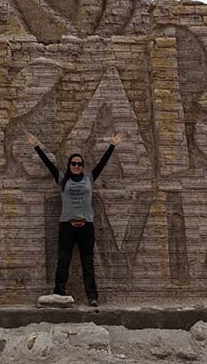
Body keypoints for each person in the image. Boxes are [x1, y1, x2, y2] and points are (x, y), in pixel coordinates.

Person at [23, 131, 126, 307]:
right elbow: (48, 164)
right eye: (73, 163)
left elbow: (102, 163)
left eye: (79, 164)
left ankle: (92, 297)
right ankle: (59, 293)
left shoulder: (89, 179)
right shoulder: (62, 180)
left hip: (86, 226)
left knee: (88, 262)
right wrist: (36, 146)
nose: (76, 166)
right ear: (69, 166)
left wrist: (112, 145)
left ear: (82, 166)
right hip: (67, 226)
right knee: (63, 260)